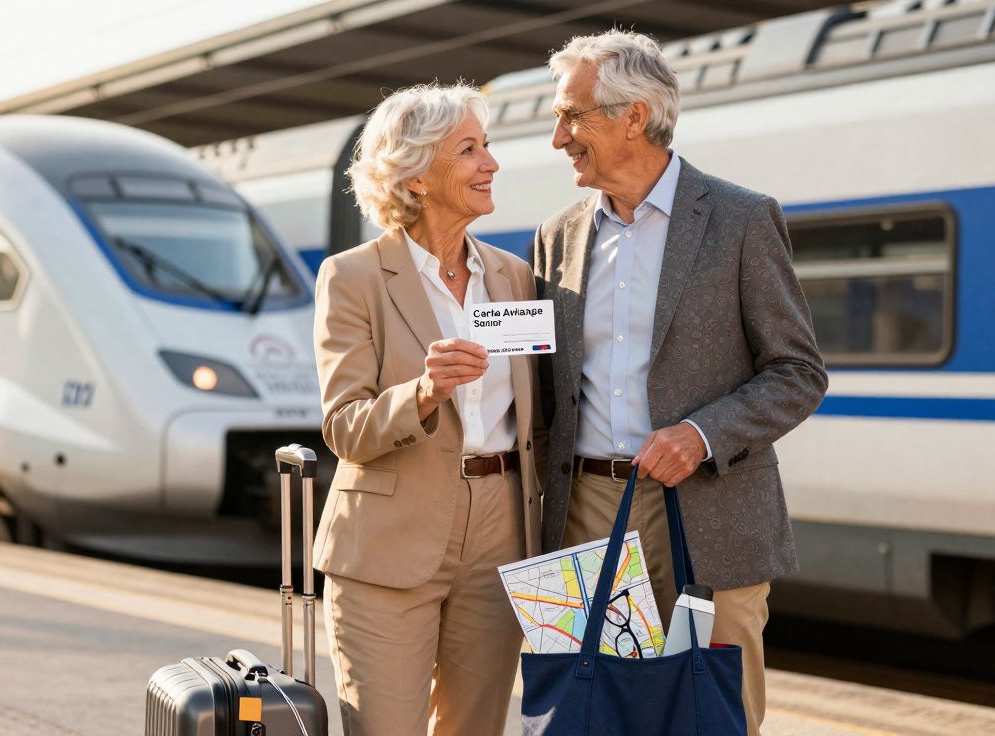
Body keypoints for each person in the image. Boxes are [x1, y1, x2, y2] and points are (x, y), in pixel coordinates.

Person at [532, 30, 827, 734]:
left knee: (711, 712)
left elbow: (798, 372)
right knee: (593, 711)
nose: (557, 138)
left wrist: (700, 435)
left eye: (572, 116)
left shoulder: (741, 219)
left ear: (634, 115)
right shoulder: (557, 236)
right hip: (587, 511)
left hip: (710, 510)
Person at [311, 82, 542, 736]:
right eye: (468, 150)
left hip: (501, 532)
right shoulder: (353, 277)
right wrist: (423, 393)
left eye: (487, 146)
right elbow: (344, 428)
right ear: (415, 178)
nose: (490, 163)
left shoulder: (514, 277)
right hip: (389, 538)